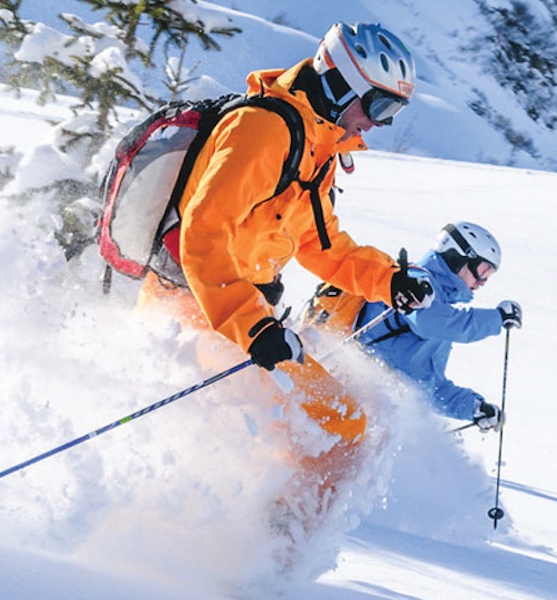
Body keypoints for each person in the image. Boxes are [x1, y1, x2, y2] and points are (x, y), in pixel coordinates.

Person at [136, 23, 432, 513]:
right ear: (341, 84)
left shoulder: (318, 147)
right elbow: (204, 235)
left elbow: (320, 243)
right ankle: (268, 557)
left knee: (328, 430)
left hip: (239, 319)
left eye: (394, 111)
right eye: (380, 106)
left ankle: (250, 545)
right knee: (339, 426)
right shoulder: (263, 130)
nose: (381, 124)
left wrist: (389, 280)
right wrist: (253, 327)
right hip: (198, 311)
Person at [349, 222, 523, 431]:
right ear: (459, 257)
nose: (483, 281)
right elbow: (427, 321)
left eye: (489, 276)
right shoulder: (413, 283)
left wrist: (474, 407)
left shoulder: (443, 314)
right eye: (483, 270)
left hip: (376, 413)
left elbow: (430, 390)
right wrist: (497, 319)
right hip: (349, 388)